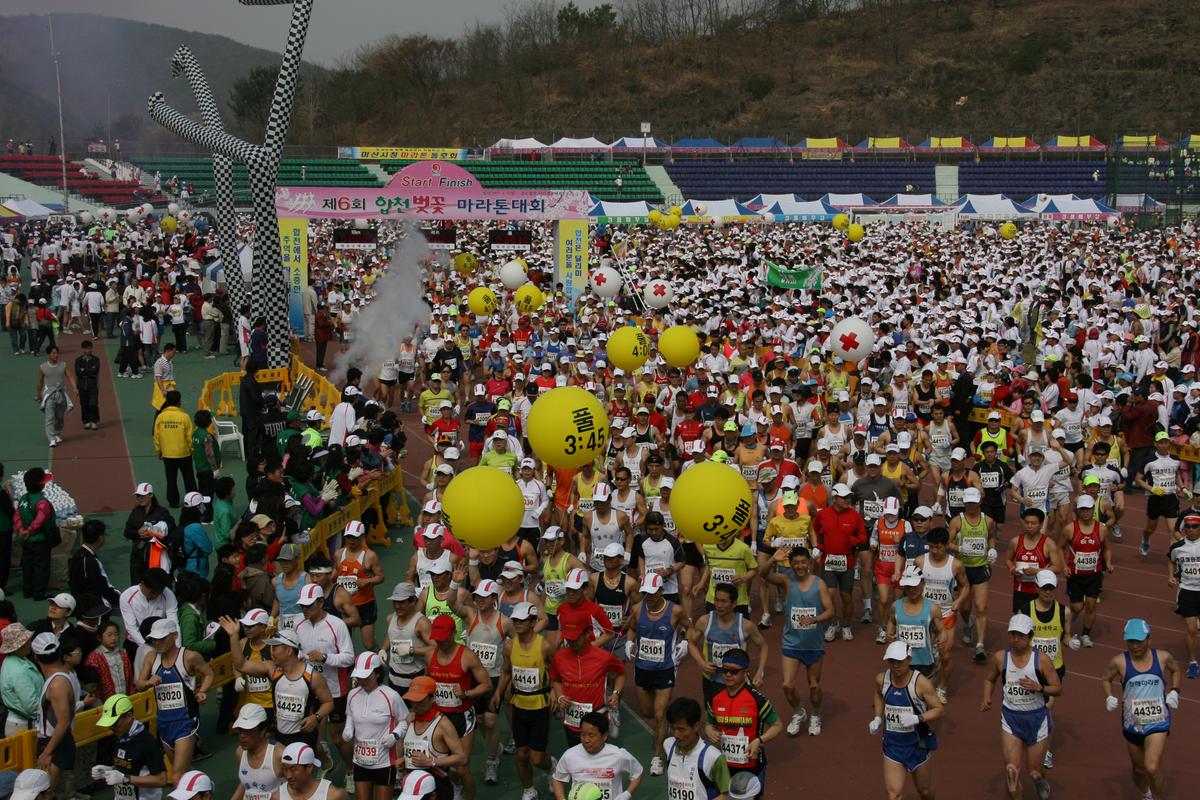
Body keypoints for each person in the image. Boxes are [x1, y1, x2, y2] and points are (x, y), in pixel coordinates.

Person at [979, 613, 1062, 800]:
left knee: (1034, 770)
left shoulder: (1041, 660)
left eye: (1021, 635)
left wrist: (1039, 688)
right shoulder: (1000, 658)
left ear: (1030, 636)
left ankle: (1040, 779)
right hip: (1011, 719)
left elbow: (1058, 688)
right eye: (1013, 634)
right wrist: (987, 697)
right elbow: (989, 679)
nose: (1016, 639)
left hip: (1037, 718)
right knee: (1011, 770)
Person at [1101, 618, 1182, 800]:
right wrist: (1109, 696)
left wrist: (1175, 691)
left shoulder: (1162, 657)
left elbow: (1176, 670)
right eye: (1131, 641)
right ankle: (1146, 794)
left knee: (1151, 767)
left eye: (1139, 641)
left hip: (1158, 720)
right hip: (1133, 722)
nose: (1135, 646)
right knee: (1139, 769)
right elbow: (1106, 678)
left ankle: (1158, 797)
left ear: (1149, 639)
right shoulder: (1119, 662)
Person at [760, 546, 833, 736]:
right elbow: (763, 574)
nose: (800, 566)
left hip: (813, 645)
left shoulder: (819, 584)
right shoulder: (786, 581)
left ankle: (815, 713)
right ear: (790, 564)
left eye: (803, 562)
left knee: (814, 686)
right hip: (791, 643)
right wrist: (772, 560)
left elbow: (830, 611)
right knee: (787, 685)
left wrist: (815, 619)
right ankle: (798, 712)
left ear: (809, 563)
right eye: (796, 563)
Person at [625, 572, 688, 775]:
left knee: (660, 713)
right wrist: (629, 642)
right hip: (642, 669)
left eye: (652, 593)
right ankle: (664, 724)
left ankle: (658, 756)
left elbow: (690, 628)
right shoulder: (637, 609)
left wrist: (685, 642)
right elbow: (632, 629)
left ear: (661, 590)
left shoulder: (676, 611)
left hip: (665, 669)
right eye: (646, 593)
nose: (649, 597)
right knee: (647, 712)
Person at [135, 617, 213, 777]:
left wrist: (202, 691)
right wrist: (148, 682)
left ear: (175, 636)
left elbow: (209, 673)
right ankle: (202, 786)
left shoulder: (189, 656)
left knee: (177, 775)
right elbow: (139, 685)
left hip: (186, 722)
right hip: (163, 724)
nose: (157, 643)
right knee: (183, 773)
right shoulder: (151, 657)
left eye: (162, 639)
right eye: (154, 639)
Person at [425, 613, 491, 800]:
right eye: (437, 639)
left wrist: (467, 693)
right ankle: (456, 788)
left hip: (462, 716)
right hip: (440, 717)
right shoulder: (430, 655)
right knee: (443, 767)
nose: (440, 642)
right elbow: (428, 683)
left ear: (453, 633)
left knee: (461, 767)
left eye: (444, 639)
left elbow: (486, 684)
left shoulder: (467, 656)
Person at [869, 641, 944, 800]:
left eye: (899, 661)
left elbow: (939, 709)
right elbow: (878, 695)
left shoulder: (921, 683)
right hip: (893, 746)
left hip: (917, 745)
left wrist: (917, 718)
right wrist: (877, 717)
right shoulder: (882, 680)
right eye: (891, 661)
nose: (895, 665)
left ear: (909, 659)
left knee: (925, 791)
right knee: (894, 794)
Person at [495, 601, 554, 800]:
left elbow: (557, 671)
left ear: (533, 622)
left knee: (536, 758)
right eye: (515, 620)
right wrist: (498, 693)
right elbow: (506, 672)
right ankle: (528, 789)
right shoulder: (509, 646)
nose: (518, 624)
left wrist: (556, 692)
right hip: (518, 705)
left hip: (540, 707)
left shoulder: (545, 646)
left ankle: (552, 766)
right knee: (521, 754)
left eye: (522, 620)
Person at [703, 648, 782, 793]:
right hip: (724, 765)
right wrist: (709, 731)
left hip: (752, 766)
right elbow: (709, 724)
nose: (728, 674)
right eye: (725, 670)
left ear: (746, 673)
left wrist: (759, 740)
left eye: (734, 672)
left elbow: (777, 725)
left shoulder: (757, 700)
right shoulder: (715, 699)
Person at [342, 652, 407, 800]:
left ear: (377, 673)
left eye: (366, 676)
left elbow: (404, 721)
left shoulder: (391, 696)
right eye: (359, 677)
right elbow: (350, 714)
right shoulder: (352, 695)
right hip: (359, 761)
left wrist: (394, 736)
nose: (362, 680)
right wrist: (348, 727)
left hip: (384, 763)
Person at [688, 583, 768, 703]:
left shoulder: (745, 626)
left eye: (724, 601)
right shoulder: (705, 621)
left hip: (737, 683)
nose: (719, 605)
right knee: (712, 713)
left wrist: (759, 672)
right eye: (717, 600)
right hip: (712, 681)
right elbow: (691, 643)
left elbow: (763, 647)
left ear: (734, 604)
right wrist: (701, 663)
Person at [551, 620, 625, 747]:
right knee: (575, 756)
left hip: (597, 721)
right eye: (569, 638)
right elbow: (556, 679)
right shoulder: (559, 657)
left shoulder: (603, 657)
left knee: (597, 757)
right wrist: (560, 696)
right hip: (571, 723)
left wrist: (615, 694)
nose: (572, 642)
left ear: (587, 634)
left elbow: (621, 673)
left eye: (576, 638)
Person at [947, 487, 998, 656]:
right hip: (963, 569)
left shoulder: (988, 521)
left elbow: (991, 536)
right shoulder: (957, 521)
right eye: (968, 503)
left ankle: (980, 645)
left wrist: (992, 549)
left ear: (979, 502)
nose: (971, 506)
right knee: (965, 607)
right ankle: (968, 623)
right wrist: (960, 548)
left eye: (974, 503)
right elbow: (947, 543)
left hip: (981, 567)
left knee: (981, 607)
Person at [399, 676, 468, 800]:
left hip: (437, 787)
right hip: (413, 786)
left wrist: (431, 762)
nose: (415, 705)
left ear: (432, 698)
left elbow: (461, 757)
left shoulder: (443, 724)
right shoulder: (410, 719)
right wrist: (404, 759)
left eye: (420, 701)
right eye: (412, 700)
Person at [551, 711, 644, 800]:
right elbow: (557, 779)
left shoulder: (618, 755)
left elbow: (638, 773)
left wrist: (626, 795)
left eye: (591, 735)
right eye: (583, 735)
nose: (586, 740)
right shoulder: (570, 755)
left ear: (604, 736)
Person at [92, 693, 168, 797]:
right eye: (110, 724)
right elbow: (130, 766)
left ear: (129, 716)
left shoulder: (147, 741)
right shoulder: (118, 737)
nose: (112, 728)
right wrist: (109, 770)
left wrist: (126, 779)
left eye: (115, 723)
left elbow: (161, 780)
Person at [1062, 494, 1112, 650]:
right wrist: (1064, 565)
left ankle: (1085, 634)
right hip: (1075, 575)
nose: (1085, 512)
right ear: (1078, 511)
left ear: (1092, 510)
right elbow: (1059, 548)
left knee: (1091, 605)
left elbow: (1107, 548)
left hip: (1094, 574)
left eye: (1088, 509)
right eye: (1082, 510)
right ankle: (1069, 618)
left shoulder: (1101, 529)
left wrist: (1108, 562)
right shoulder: (1070, 529)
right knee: (1077, 607)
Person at [664, 697, 732, 800]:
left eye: (681, 729)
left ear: (696, 726)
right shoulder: (668, 745)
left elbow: (727, 794)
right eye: (673, 728)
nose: (676, 734)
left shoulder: (713, 756)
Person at [33, 632, 75, 795]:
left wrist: (47, 752)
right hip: (54, 742)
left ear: (36, 657)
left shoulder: (57, 684)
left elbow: (63, 722)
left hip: (54, 743)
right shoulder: (62, 678)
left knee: (44, 794)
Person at [334, 521, 383, 650]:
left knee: (368, 644)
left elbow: (380, 576)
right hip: (345, 606)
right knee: (345, 644)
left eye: (354, 537)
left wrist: (366, 581)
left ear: (362, 537)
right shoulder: (339, 554)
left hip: (365, 604)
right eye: (348, 536)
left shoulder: (370, 556)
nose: (351, 540)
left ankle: (379, 655)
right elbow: (336, 572)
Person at [13, 468, 58, 601]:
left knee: (27, 566)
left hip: (26, 541)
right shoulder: (42, 502)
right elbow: (40, 520)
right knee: (41, 567)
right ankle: (39, 593)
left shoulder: (23, 499)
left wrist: (22, 530)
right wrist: (30, 531)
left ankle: (28, 590)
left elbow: (17, 516)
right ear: (41, 485)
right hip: (40, 540)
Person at [1166, 511, 1200, 679]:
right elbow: (1171, 561)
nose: (1191, 529)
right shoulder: (1177, 547)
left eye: (1195, 526)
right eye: (1188, 527)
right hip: (1187, 591)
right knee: (1191, 629)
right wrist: (1171, 576)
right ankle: (1192, 662)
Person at [231, 703, 285, 800]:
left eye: (248, 730)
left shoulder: (279, 754)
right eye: (240, 730)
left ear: (262, 730)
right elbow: (245, 784)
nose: (242, 736)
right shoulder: (240, 752)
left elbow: (297, 789)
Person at [154, 390, 197, 508]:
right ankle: (193, 500)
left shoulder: (160, 417)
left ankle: (173, 502)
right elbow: (190, 436)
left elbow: (157, 436)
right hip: (184, 454)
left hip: (168, 454)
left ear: (167, 402)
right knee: (189, 479)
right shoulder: (184, 417)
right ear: (179, 402)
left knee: (171, 479)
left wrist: (159, 450)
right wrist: (192, 450)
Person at [68, 519, 121, 611]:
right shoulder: (91, 561)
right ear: (100, 538)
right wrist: (121, 600)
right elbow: (103, 587)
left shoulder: (77, 555)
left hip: (81, 604)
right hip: (93, 607)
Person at [0, 623, 41, 737]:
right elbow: (31, 706)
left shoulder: (16, 660)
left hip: (21, 723)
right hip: (23, 726)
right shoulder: (18, 671)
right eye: (27, 641)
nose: (30, 643)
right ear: (20, 645)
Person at [276, 741, 350, 800]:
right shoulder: (277, 797)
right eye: (285, 769)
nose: (288, 776)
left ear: (309, 767)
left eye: (293, 769)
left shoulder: (334, 796)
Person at [35, 345, 76, 447]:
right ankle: (51, 439)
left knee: (59, 417)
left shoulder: (63, 365)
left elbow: (69, 376)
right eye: (53, 353)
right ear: (49, 354)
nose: (56, 355)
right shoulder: (43, 367)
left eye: (57, 353)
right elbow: (40, 382)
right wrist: (38, 395)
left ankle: (57, 433)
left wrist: (75, 388)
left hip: (61, 394)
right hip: (49, 395)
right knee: (49, 417)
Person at [73, 339, 101, 429]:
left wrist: (84, 370)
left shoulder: (96, 360)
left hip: (93, 386)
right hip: (82, 386)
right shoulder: (78, 360)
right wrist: (89, 370)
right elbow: (78, 372)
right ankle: (86, 421)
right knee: (84, 404)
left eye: (90, 348)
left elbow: (95, 371)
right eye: (86, 349)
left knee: (93, 404)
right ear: (83, 349)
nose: (88, 350)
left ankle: (94, 421)